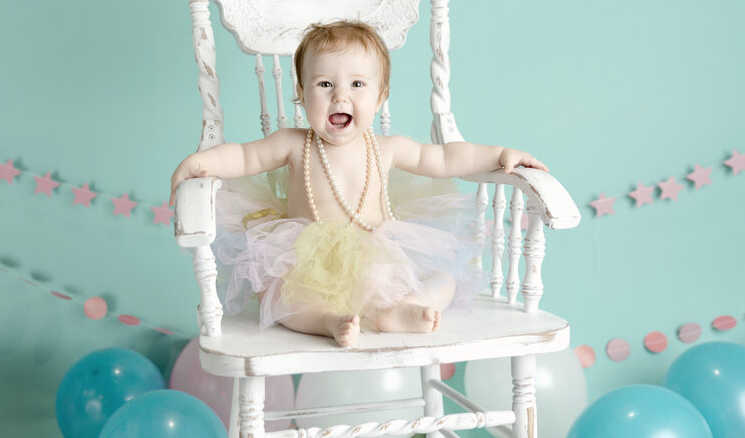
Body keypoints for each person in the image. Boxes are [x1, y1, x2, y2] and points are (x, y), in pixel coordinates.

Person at [170, 21, 547, 347]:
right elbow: (243, 157)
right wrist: (201, 160)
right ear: (301, 93)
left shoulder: (387, 148)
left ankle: (399, 310)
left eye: (357, 84)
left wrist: (500, 154)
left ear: (380, 97)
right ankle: (327, 322)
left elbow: (446, 158)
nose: (340, 95)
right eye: (324, 83)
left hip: (380, 254)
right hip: (307, 260)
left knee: (443, 280)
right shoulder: (293, 144)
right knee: (279, 295)